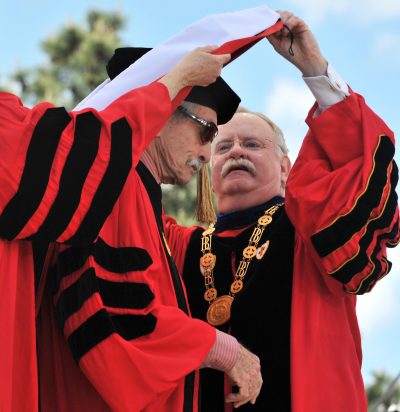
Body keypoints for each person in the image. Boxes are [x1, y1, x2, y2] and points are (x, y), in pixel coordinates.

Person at [0, 45, 263, 412]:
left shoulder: (143, 202)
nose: (208, 154)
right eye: (206, 132)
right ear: (163, 112)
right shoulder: (117, 189)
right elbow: (119, 320)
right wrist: (225, 350)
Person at [165, 10, 400, 412]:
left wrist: (314, 69)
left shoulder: (310, 229)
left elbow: (355, 163)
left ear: (286, 169)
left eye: (253, 145)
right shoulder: (176, 245)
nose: (236, 150)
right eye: (223, 146)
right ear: (205, 167)